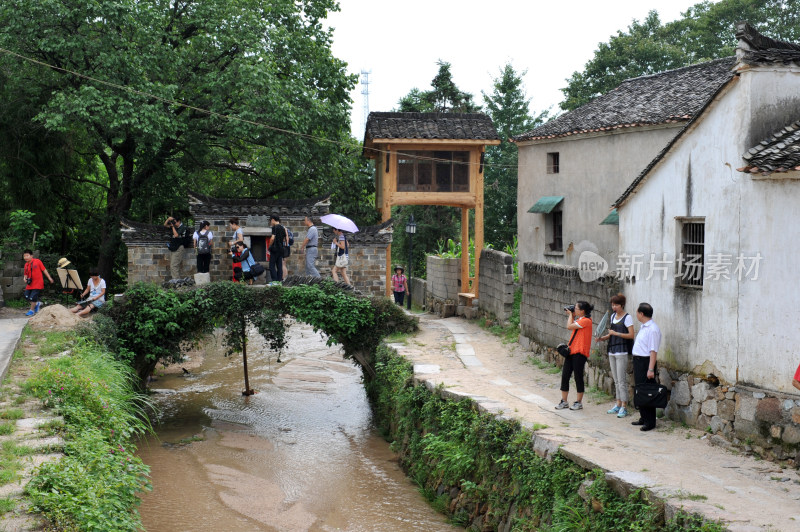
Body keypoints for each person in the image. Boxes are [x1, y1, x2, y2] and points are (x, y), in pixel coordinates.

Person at [596, 294, 635, 418]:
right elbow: (611, 334)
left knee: (622, 380)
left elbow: (631, 335)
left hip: (622, 351)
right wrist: (602, 338)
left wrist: (616, 333)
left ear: (622, 305)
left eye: (616, 305)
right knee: (616, 380)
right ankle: (618, 403)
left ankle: (624, 406)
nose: (614, 307)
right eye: (613, 304)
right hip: (612, 350)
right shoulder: (613, 316)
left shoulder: (627, 318)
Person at [555, 301, 593, 411]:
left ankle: (579, 402)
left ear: (582, 311)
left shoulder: (586, 321)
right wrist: (572, 315)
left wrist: (571, 315)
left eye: (576, 308)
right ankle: (564, 401)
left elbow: (569, 326)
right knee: (565, 375)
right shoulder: (580, 320)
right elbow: (571, 324)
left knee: (578, 377)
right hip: (571, 351)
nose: (574, 310)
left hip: (580, 353)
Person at [631, 302, 662, 432]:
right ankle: (643, 417)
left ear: (641, 314)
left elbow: (653, 351)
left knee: (647, 391)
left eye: (637, 312)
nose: (636, 314)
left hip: (646, 362)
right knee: (640, 390)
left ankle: (650, 421)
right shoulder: (644, 326)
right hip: (639, 361)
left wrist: (650, 369)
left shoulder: (653, 329)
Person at [22, 250, 54, 316]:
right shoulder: (26, 265)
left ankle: (31, 311)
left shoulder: (37, 261)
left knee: (33, 297)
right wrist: (25, 278)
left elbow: (44, 270)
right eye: (24, 256)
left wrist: (49, 278)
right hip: (30, 283)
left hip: (38, 283)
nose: (25, 257)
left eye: (27, 255)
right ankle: (37, 304)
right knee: (26, 295)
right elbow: (25, 274)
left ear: (31, 256)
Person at [164, 215, 190, 280]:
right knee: (173, 265)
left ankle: (176, 281)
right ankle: (176, 280)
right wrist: (168, 219)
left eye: (175, 222)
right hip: (174, 247)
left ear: (179, 222)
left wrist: (173, 227)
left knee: (173, 265)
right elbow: (165, 225)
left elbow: (176, 235)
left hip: (179, 248)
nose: (174, 224)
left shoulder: (182, 227)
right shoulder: (175, 226)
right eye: (173, 222)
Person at [268, 215, 288, 282]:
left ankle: (274, 280)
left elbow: (272, 238)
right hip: (281, 249)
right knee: (279, 266)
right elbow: (285, 240)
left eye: (270, 221)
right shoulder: (283, 228)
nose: (270, 222)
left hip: (274, 249)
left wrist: (269, 245)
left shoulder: (274, 227)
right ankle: (279, 280)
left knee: (271, 266)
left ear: (273, 220)